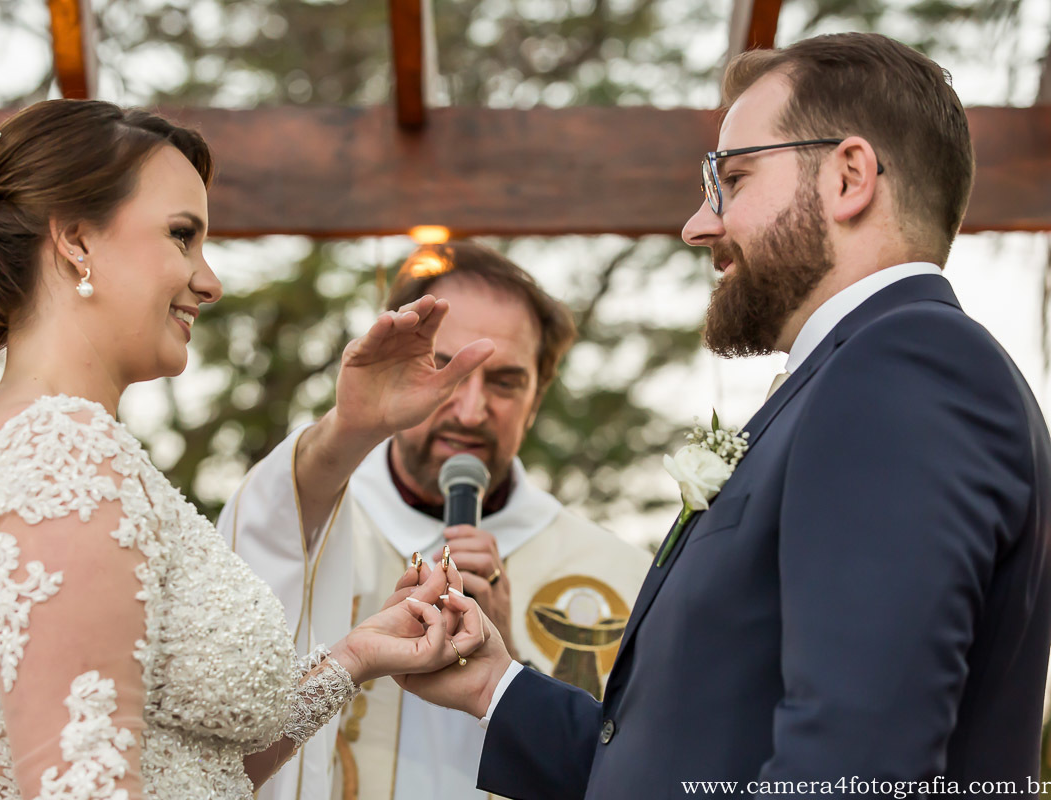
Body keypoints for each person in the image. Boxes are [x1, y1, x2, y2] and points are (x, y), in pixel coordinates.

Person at [400, 32, 1051, 795]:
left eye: (734, 178)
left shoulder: (906, 367)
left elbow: (851, 766)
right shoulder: (854, 379)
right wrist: (494, 684)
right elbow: (686, 765)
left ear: (849, 177)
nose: (698, 225)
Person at [0, 99, 495, 800]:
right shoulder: (61, 457)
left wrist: (356, 655)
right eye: (182, 236)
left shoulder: (33, 444)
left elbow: (189, 771)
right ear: (76, 241)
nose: (210, 281)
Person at [219, 241, 652, 800]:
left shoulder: (618, 574)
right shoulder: (306, 522)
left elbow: (649, 770)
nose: (470, 412)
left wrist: (512, 666)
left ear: (537, 397)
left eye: (505, 382)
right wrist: (350, 425)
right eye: (443, 368)